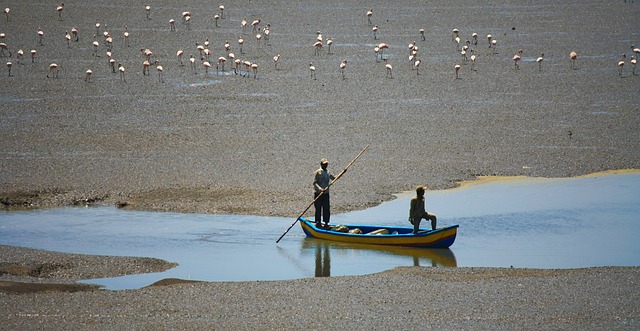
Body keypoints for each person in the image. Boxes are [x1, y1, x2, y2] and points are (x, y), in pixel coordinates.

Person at [313, 158, 335, 228]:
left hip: (326, 194)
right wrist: (320, 189)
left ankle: (326, 223)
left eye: (326, 164)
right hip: (318, 194)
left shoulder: (328, 172)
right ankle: (318, 222)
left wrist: (342, 173)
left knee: (326, 208)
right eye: (324, 164)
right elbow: (314, 183)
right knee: (318, 208)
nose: (326, 165)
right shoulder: (318, 172)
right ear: (321, 164)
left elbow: (334, 178)